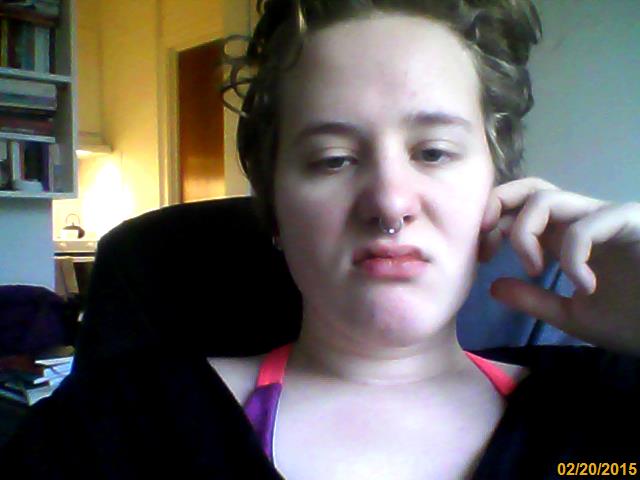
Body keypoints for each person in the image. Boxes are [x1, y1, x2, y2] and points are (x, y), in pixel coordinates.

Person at [1, 0, 639, 478]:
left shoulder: (608, 409)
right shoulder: (116, 430)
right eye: (333, 159)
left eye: (434, 152)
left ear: (494, 191)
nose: (390, 203)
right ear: (275, 208)